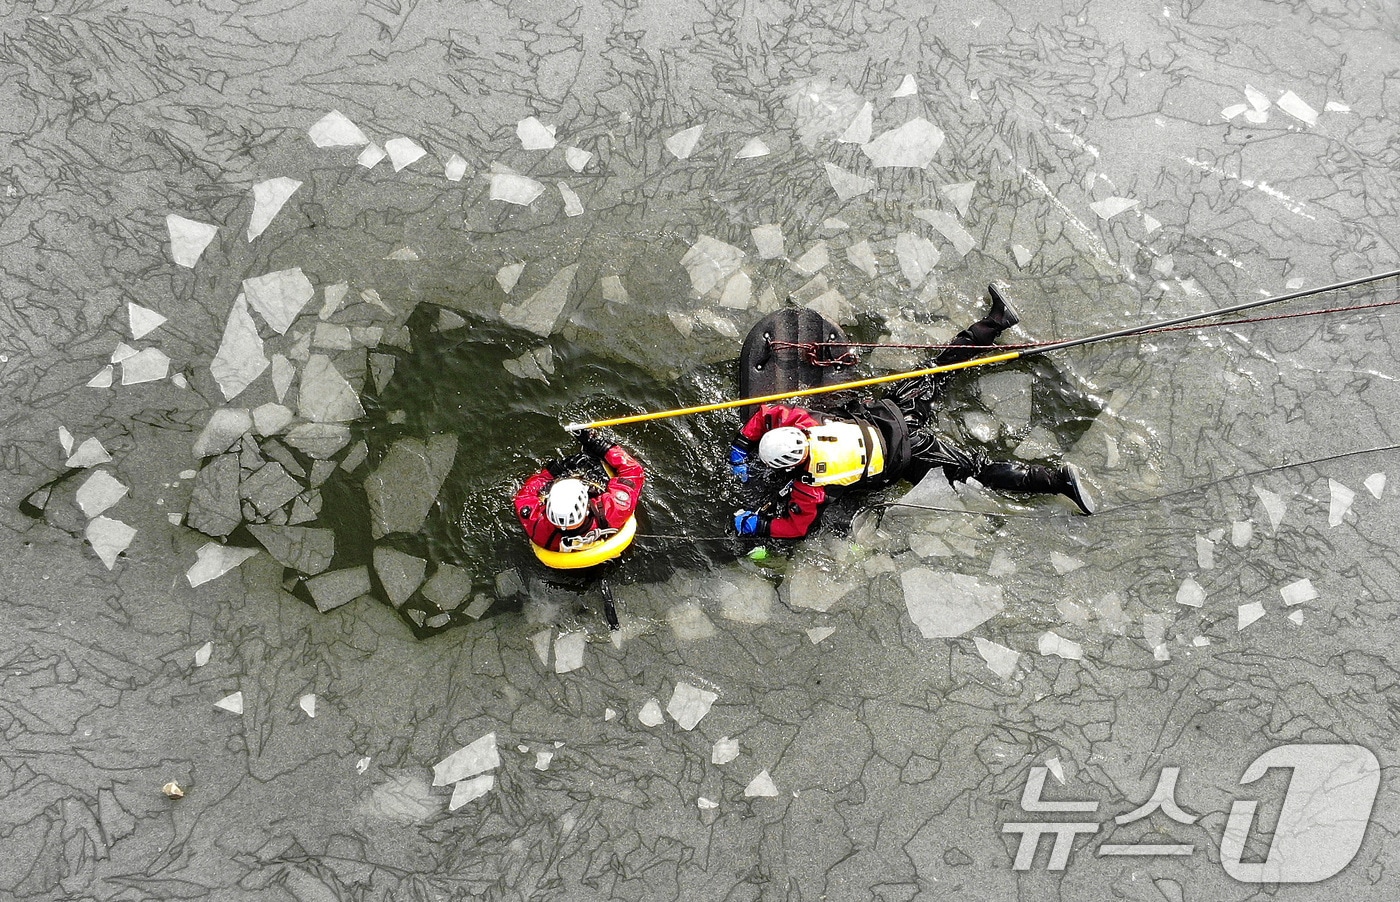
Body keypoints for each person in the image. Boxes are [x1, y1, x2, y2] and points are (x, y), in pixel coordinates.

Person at [729, 284, 1094, 540]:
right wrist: (744, 445)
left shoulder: (811, 486)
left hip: (912, 452)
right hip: (895, 414)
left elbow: (797, 528)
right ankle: (995, 321)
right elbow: (771, 415)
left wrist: (758, 526)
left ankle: (1058, 481)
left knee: (978, 469)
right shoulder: (806, 424)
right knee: (937, 370)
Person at [514, 428, 644, 552]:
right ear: (586, 506)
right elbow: (633, 471)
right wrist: (602, 446)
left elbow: (524, 497)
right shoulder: (613, 510)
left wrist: (550, 473)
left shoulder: (538, 528)